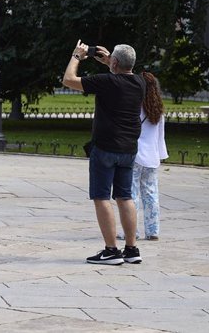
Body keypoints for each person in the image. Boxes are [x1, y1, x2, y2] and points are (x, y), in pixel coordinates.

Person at [62, 40, 146, 265]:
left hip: (105, 148)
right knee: (125, 196)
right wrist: (111, 60)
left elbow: (69, 80)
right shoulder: (139, 83)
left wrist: (77, 56)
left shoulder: (107, 81)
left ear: (115, 62)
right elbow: (123, 72)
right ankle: (131, 249)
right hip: (128, 149)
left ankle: (111, 250)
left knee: (101, 197)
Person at [130, 71, 168, 240]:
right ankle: (153, 231)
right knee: (151, 195)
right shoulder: (158, 110)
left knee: (130, 195)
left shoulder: (134, 107)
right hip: (152, 157)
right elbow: (161, 137)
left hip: (134, 155)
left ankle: (131, 231)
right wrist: (160, 155)